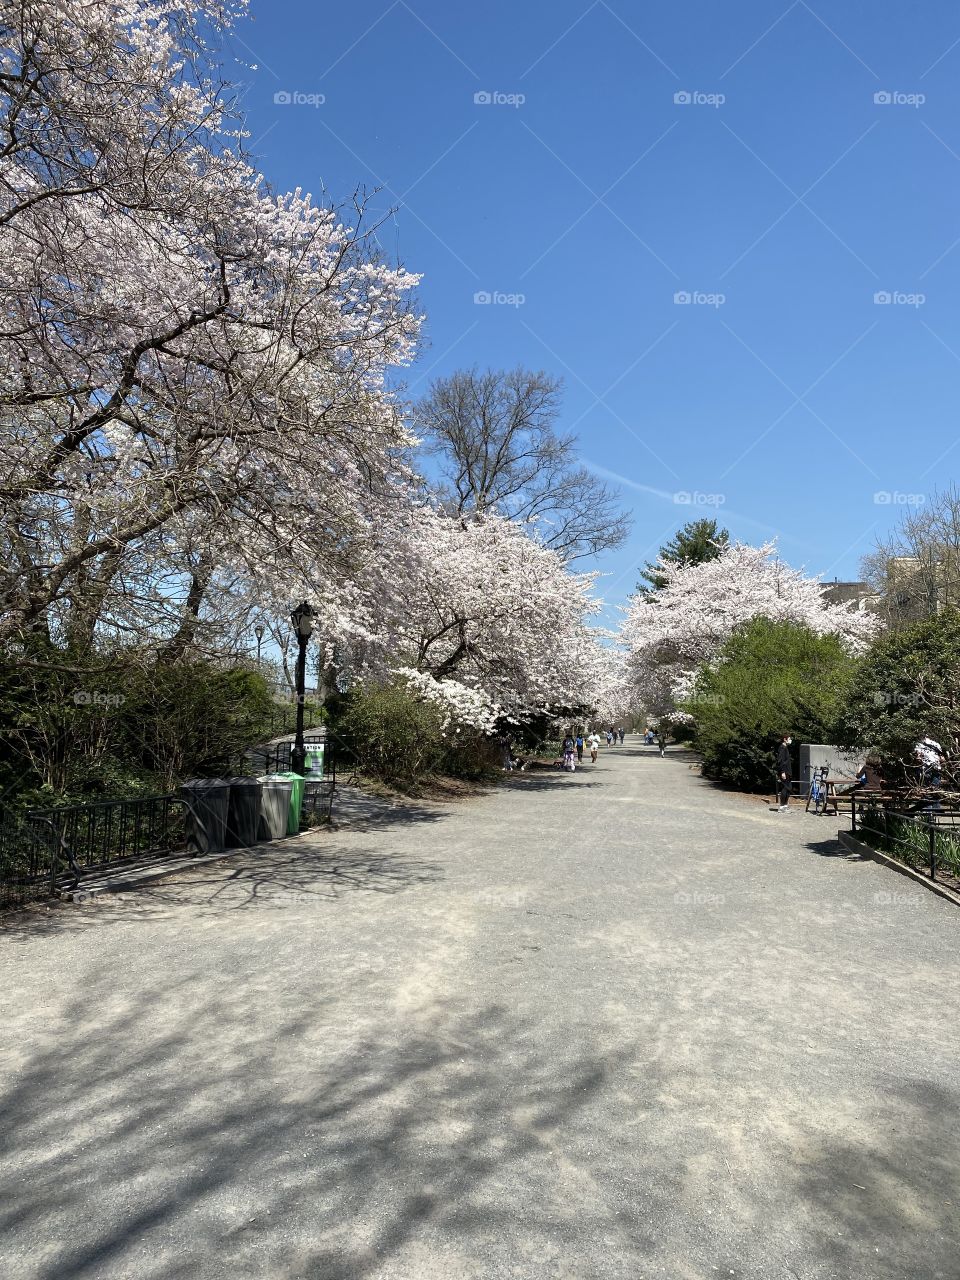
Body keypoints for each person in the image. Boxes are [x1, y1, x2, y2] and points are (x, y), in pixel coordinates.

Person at [776, 733, 793, 811]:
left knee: (789, 788)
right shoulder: (782, 748)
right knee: (785, 788)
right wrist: (782, 772)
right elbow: (780, 761)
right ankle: (782, 806)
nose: (790, 740)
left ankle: (785, 805)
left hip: (788, 772)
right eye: (789, 739)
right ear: (785, 739)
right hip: (784, 772)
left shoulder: (785, 748)